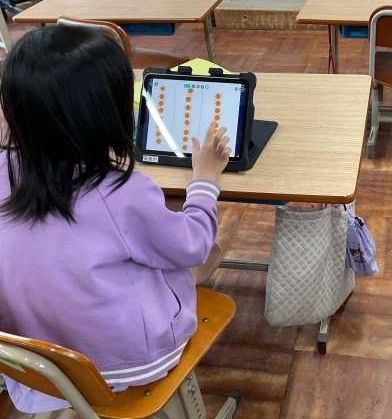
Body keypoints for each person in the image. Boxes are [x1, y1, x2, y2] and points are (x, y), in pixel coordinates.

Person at [0, 26, 231, 413]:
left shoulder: (4, 169)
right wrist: (205, 179)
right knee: (211, 253)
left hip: (31, 364)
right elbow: (193, 244)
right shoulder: (122, 194)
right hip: (129, 363)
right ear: (109, 114)